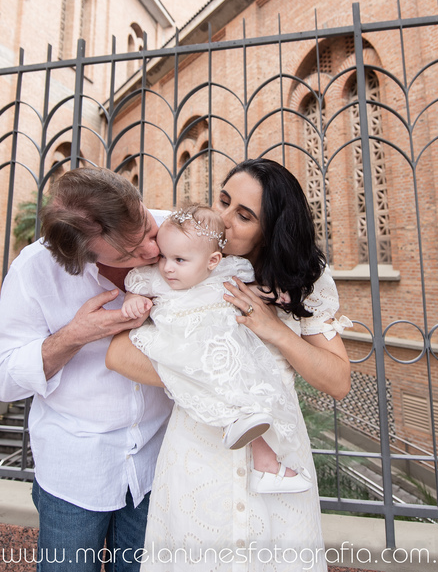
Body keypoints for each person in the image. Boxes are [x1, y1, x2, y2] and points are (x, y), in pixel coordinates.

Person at [108, 158, 352, 572]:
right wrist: (214, 381)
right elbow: (120, 354)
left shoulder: (302, 279)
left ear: (270, 228)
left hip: (278, 455)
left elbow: (338, 381)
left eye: (243, 215)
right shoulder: (180, 259)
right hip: (197, 453)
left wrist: (274, 330)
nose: (223, 218)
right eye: (223, 200)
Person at [0, 168, 172, 572]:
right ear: (83, 255)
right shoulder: (35, 269)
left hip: (160, 466)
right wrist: (73, 336)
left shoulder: (177, 232)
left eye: (149, 229)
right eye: (129, 254)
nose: (153, 253)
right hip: (75, 473)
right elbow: (0, 379)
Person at [121, 205, 309, 494]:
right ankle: (243, 436)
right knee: (217, 385)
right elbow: (136, 286)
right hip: (180, 344)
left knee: (253, 391)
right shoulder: (155, 278)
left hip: (223, 347)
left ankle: (266, 465)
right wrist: (132, 300)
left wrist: (269, 294)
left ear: (213, 260)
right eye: (164, 256)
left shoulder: (225, 271)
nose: (167, 267)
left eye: (180, 259)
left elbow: (249, 289)